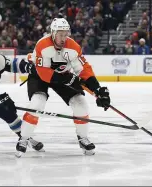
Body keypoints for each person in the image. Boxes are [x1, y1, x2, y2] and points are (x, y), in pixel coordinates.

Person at [17, 18, 111, 156]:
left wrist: (97, 89)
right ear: (53, 33)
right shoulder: (43, 45)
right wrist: (68, 79)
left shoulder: (73, 47)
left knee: (81, 104)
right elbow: (43, 73)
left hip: (63, 76)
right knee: (37, 103)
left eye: (65, 34)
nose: (63, 37)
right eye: (60, 34)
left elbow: (84, 69)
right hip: (39, 75)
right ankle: (23, 138)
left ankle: (83, 137)